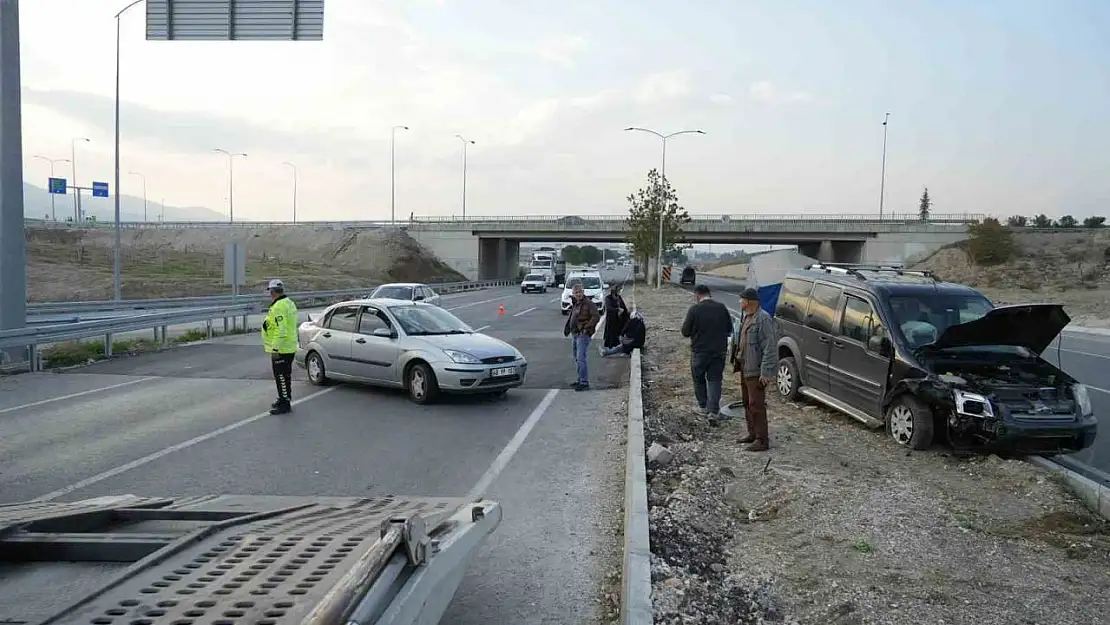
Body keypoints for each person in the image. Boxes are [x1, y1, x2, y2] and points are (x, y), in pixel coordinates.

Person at [732, 287, 778, 451]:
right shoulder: (748, 317)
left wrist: (766, 372)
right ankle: (752, 434)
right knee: (747, 402)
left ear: (748, 302)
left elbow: (770, 348)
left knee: (756, 404)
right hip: (745, 367)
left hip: (756, 370)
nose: (739, 302)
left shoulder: (763, 319)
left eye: (741, 300)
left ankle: (762, 440)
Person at [680, 284, 733, 419]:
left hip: (700, 351)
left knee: (698, 379)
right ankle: (714, 411)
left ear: (697, 295)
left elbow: (685, 332)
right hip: (718, 351)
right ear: (709, 294)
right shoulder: (721, 308)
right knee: (715, 379)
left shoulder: (695, 309)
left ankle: (703, 407)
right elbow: (729, 329)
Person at [262, 278, 299, 415]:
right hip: (289, 346)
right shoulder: (289, 303)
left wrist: (275, 348)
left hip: (282, 348)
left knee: (281, 376)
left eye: (270, 291)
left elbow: (281, 329)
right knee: (285, 375)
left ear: (272, 292)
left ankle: (285, 403)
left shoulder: (279, 306)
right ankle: (283, 398)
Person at [563, 282, 599, 391]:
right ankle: (580, 379)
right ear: (573, 293)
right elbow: (572, 317)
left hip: (583, 335)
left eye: (579, 292)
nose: (578, 294)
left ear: (583, 292)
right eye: (576, 292)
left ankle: (584, 382)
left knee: (581, 358)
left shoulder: (588, 303)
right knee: (577, 358)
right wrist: (567, 328)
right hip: (575, 334)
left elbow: (596, 316)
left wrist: (586, 328)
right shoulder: (576, 303)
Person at [602, 283, 629, 349]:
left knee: (619, 332)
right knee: (611, 334)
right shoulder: (608, 298)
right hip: (612, 319)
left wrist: (627, 313)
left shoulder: (619, 297)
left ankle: (617, 346)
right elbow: (609, 308)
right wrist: (617, 310)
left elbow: (623, 306)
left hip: (619, 319)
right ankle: (610, 347)